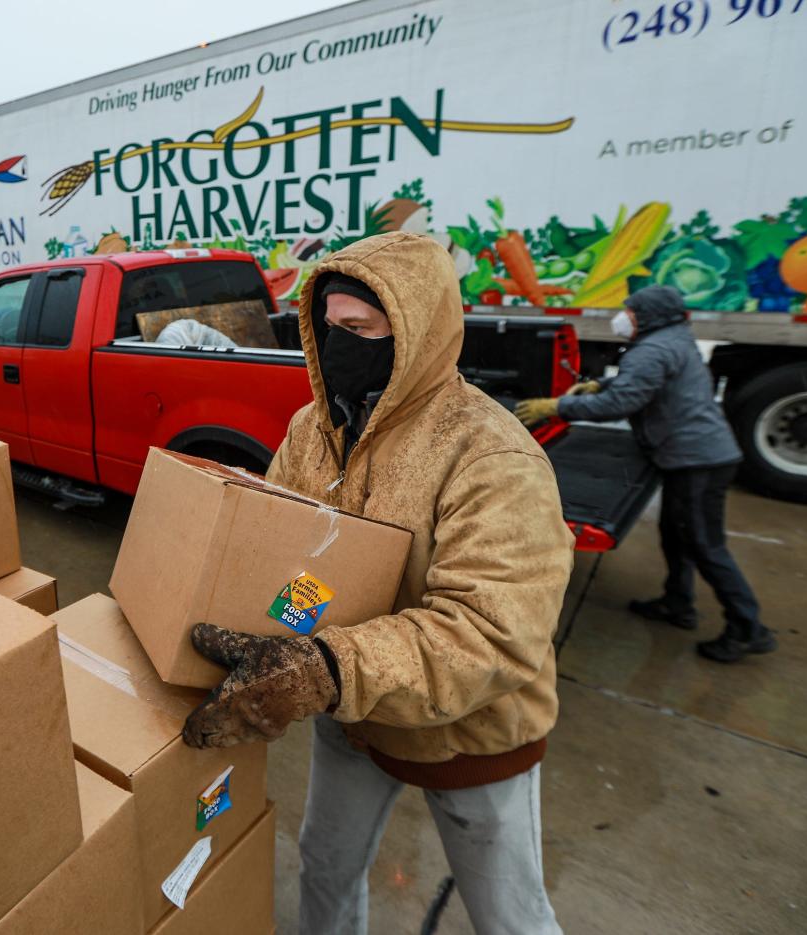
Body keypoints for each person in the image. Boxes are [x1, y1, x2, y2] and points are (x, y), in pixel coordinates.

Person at [182, 232, 574, 935]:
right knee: (325, 866)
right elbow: (278, 543)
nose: (338, 348)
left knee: (509, 914)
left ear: (416, 333)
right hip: (356, 717)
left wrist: (322, 668)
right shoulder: (313, 428)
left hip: (472, 732)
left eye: (359, 331)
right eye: (327, 329)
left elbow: (491, 632)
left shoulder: (489, 452)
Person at [514, 284, 775, 664]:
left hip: (696, 461)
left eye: (631, 312)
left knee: (705, 543)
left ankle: (748, 628)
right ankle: (678, 602)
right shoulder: (673, 339)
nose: (624, 318)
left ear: (648, 316)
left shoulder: (653, 348)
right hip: (696, 456)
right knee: (676, 533)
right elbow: (641, 384)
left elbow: (621, 402)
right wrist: (599, 383)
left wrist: (558, 406)